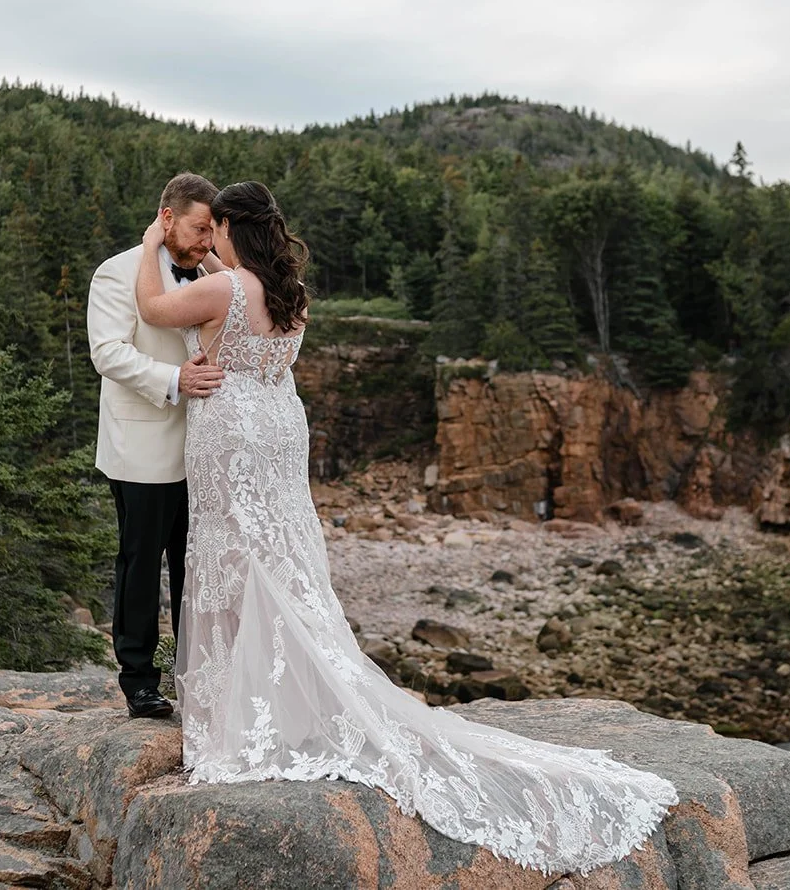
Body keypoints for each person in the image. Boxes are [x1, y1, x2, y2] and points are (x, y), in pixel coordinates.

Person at [133, 180, 678, 875]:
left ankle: (243, 704)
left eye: (218, 230)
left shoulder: (222, 290)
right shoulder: (287, 296)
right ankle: (280, 689)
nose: (210, 241)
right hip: (277, 428)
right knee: (279, 558)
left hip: (233, 433)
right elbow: (233, 295)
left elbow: (155, 304)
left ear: (236, 226)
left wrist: (156, 241)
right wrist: (212, 261)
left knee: (239, 558)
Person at [87, 172, 224, 719]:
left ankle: (194, 677)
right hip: (140, 445)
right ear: (167, 218)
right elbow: (108, 353)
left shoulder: (207, 271)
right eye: (199, 229)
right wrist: (175, 381)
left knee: (196, 566)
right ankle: (138, 680)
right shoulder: (116, 272)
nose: (206, 241)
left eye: (213, 231)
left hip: (202, 446)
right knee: (141, 566)